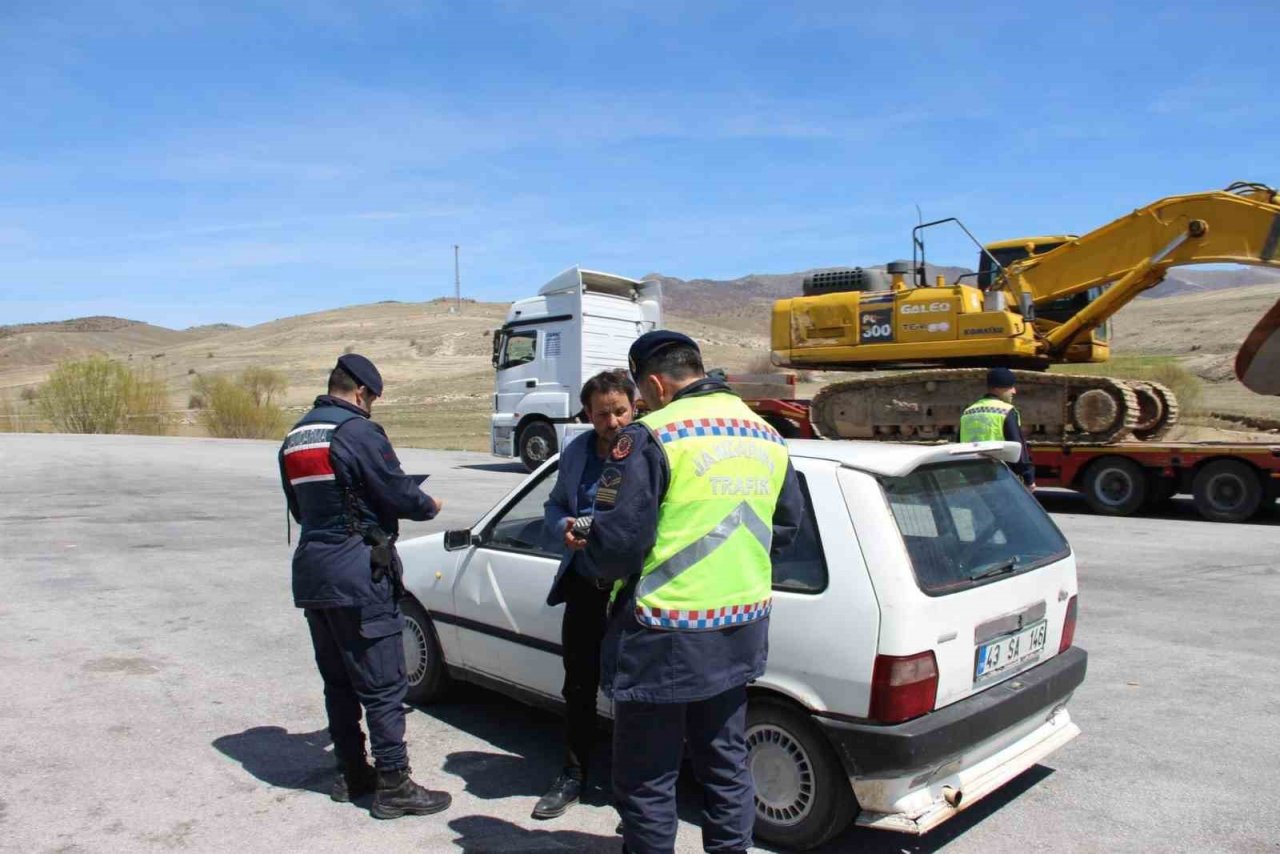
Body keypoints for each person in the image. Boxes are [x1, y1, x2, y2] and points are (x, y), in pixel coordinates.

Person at [580, 331, 806, 854]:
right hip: (740, 628)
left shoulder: (650, 437)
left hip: (664, 633)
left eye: (640, 393)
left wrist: (589, 560)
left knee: (646, 780)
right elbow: (787, 530)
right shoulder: (766, 434)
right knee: (726, 769)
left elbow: (617, 545)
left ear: (655, 384)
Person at [278, 353, 452, 820]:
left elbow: (300, 508)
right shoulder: (358, 431)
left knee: (338, 681)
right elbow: (396, 492)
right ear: (360, 393)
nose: (371, 406)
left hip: (314, 572)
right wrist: (427, 504)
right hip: (358, 572)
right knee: (383, 683)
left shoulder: (296, 435)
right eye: (372, 399)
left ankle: (353, 773)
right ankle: (394, 784)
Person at [532, 369, 637, 820]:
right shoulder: (576, 451)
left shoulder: (646, 452)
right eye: (601, 414)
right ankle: (573, 774)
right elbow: (554, 504)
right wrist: (564, 529)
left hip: (633, 593)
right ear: (587, 414)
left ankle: (632, 787)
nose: (612, 422)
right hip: (585, 587)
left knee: (633, 692)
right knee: (578, 684)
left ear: (635, 408)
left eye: (620, 411)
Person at [958, 366, 1036, 488]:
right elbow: (1017, 447)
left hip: (972, 478)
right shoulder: (1006, 411)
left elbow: (959, 445)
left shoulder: (968, 412)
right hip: (999, 476)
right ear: (998, 388)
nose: (1014, 391)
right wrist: (1028, 477)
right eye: (1010, 387)